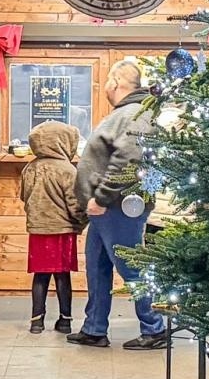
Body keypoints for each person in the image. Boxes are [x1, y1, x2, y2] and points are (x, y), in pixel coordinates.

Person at [66, 59, 168, 349]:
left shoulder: (135, 114)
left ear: (117, 83)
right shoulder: (129, 113)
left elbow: (129, 159)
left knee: (132, 268)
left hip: (117, 207)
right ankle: (94, 329)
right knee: (97, 268)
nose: (106, 88)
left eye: (109, 82)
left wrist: (102, 197)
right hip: (106, 210)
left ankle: (155, 329)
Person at [18, 121, 85, 334]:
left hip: (38, 230)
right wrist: (82, 222)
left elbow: (23, 196)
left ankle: (37, 322)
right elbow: (75, 203)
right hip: (63, 231)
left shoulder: (30, 168)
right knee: (63, 276)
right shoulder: (67, 170)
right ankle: (65, 321)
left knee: (40, 275)